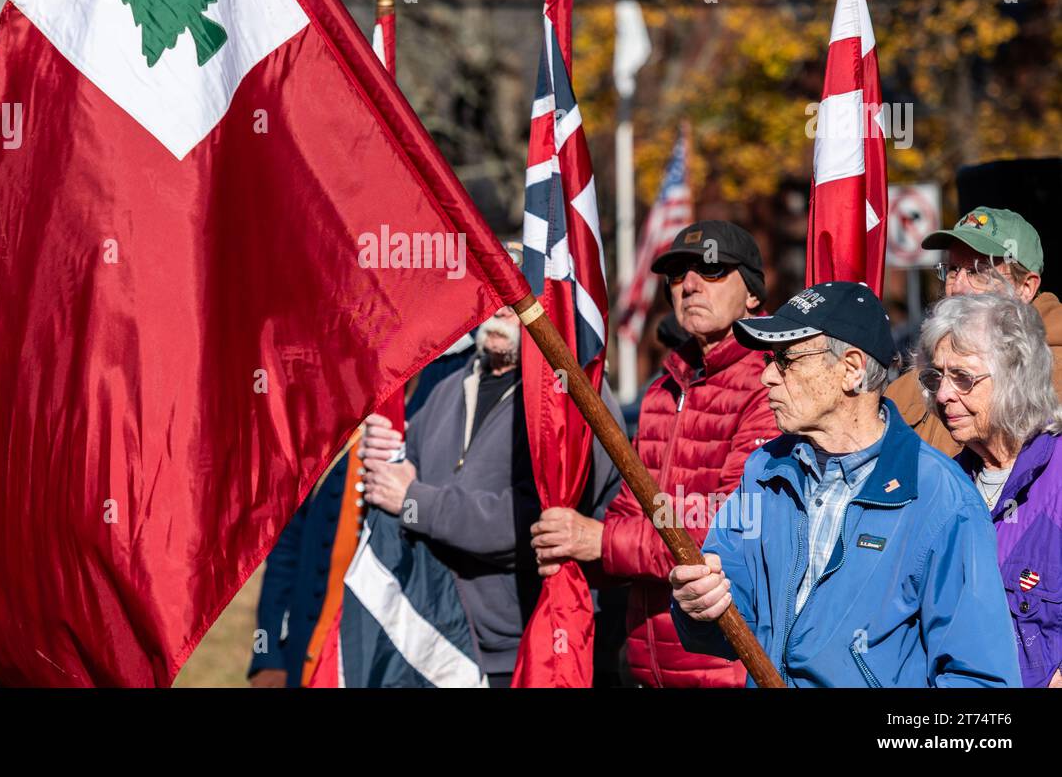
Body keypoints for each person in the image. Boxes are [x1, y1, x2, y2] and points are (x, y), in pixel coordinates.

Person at [669, 282, 1020, 687]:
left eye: (786, 359)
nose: (766, 376)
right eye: (770, 358)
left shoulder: (941, 498)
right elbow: (732, 623)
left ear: (851, 369)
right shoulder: (764, 471)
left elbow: (981, 677)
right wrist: (698, 607)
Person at [528, 220, 780, 687]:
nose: (689, 285)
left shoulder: (769, 382)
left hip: (728, 668)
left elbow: (727, 528)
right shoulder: (664, 389)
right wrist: (574, 549)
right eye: (678, 274)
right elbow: (630, 505)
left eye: (711, 271)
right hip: (650, 666)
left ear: (752, 294)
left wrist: (598, 542)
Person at [360, 304, 627, 687]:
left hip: (533, 653)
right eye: (495, 294)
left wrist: (415, 503)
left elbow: (529, 524)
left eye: (518, 301)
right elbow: (399, 489)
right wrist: (383, 455)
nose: (501, 310)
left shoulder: (572, 403)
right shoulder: (445, 392)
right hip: (439, 645)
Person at [247, 333, 474, 688]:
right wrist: (268, 655)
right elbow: (289, 537)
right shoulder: (330, 386)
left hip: (397, 648)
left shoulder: (459, 374)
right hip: (311, 643)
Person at [915, 292, 1062, 687]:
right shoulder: (939, 488)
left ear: (1016, 374)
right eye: (936, 377)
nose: (943, 395)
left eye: (962, 376)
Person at [890, 207, 1061, 455]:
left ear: (1026, 287)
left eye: (977, 272)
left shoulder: (1053, 373)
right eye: (952, 270)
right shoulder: (917, 378)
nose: (957, 287)